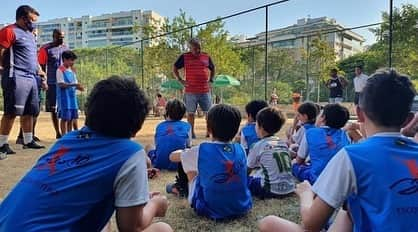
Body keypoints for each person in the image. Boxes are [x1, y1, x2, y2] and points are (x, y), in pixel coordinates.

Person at [0, 76, 172, 232]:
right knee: (162, 229)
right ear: (136, 129)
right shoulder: (131, 153)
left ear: (89, 111)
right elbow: (132, 227)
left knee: (103, 221)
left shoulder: (65, 141)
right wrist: (156, 205)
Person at [259, 69, 418, 232]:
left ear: (359, 114)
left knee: (268, 223)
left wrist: (306, 194)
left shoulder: (353, 155)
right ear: (409, 119)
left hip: (317, 188)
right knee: (348, 210)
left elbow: (311, 224)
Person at [169, 104, 252, 220]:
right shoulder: (241, 149)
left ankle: (181, 188)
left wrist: (183, 152)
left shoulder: (201, 149)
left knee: (187, 161)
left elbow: (172, 157)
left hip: (209, 209)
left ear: (209, 129)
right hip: (242, 206)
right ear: (236, 129)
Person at [0, 5, 45, 155]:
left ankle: (28, 140)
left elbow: (32, 56)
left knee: (30, 111)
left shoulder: (31, 35)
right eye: (31, 20)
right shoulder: (9, 31)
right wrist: (2, 67)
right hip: (15, 75)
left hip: (31, 77)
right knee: (11, 112)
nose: (33, 23)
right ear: (22, 18)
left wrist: (40, 70)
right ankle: (1, 144)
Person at [292, 104, 350, 184]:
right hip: (339, 179)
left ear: (323, 118)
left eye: (320, 115)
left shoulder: (311, 133)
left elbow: (299, 160)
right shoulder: (344, 135)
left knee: (295, 165)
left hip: (318, 178)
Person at [247, 107, 296, 199]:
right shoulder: (282, 143)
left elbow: (247, 170)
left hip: (269, 190)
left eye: (256, 123)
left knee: (247, 180)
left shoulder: (258, 145)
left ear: (260, 126)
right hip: (290, 188)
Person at [173, 38, 215, 139]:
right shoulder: (184, 57)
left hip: (205, 90)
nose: (197, 50)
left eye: (199, 48)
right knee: (190, 113)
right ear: (190, 48)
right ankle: (191, 133)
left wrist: (211, 80)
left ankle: (209, 132)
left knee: (208, 113)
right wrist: (180, 79)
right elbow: (174, 67)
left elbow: (212, 68)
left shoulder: (206, 56)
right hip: (190, 91)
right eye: (195, 48)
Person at [38, 28, 69, 139]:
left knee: (66, 106)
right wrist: (43, 80)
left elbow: (68, 64)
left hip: (64, 82)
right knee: (53, 107)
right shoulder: (45, 49)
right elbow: (41, 66)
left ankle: (66, 131)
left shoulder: (66, 48)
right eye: (60, 36)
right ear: (54, 36)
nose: (62, 39)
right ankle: (58, 132)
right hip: (52, 82)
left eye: (63, 37)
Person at [146, 99, 191, 170]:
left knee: (149, 146)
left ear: (167, 111)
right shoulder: (187, 126)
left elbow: (157, 144)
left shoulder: (160, 126)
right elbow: (188, 145)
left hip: (159, 163)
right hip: (180, 163)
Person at [56, 50, 84, 135]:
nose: (72, 62)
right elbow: (61, 84)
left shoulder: (72, 70)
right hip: (64, 98)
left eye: (73, 60)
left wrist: (79, 88)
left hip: (72, 98)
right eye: (70, 60)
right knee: (65, 118)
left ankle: (69, 134)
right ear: (64, 59)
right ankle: (64, 136)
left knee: (71, 118)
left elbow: (75, 84)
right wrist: (74, 84)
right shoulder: (60, 70)